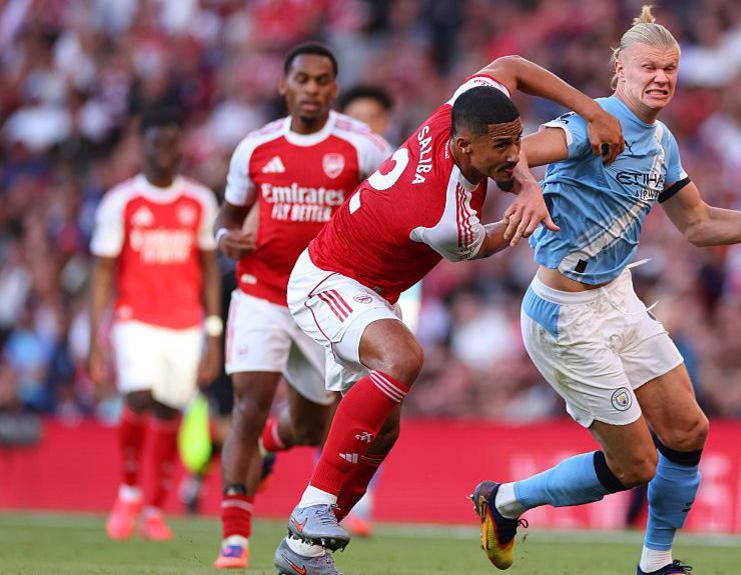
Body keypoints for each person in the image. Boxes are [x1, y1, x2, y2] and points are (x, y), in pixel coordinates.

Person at [469, 6, 741, 575]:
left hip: (616, 297)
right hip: (564, 315)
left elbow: (699, 226)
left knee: (689, 429)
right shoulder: (586, 128)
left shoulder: (662, 141)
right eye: (649, 67)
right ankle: (507, 500)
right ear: (618, 68)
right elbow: (511, 151)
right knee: (637, 464)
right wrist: (523, 185)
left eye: (670, 68)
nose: (662, 78)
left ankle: (656, 563)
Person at [274, 55, 624, 575]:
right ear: (465, 147)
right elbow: (480, 243)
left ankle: (303, 552)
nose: (515, 154)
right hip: (328, 279)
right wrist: (529, 209)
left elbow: (509, 65)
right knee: (402, 358)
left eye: (516, 140)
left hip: (373, 289)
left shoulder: (456, 113)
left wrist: (589, 110)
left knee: (384, 431)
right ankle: (311, 510)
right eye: (502, 147)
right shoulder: (441, 216)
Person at [212, 42, 392, 569]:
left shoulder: (363, 146)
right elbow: (228, 214)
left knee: (316, 426)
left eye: (322, 81)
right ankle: (235, 535)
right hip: (260, 293)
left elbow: (396, 198)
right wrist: (226, 236)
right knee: (248, 402)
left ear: (334, 89)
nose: (311, 89)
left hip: (324, 299)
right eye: (302, 79)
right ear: (283, 85)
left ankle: (276, 438)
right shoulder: (256, 148)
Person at [89, 106, 222, 542]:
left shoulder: (199, 201)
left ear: (180, 145)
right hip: (136, 319)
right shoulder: (121, 202)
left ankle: (154, 508)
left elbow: (208, 271)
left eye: (171, 142)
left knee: (169, 408)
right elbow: (104, 272)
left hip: (185, 323)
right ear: (141, 145)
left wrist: (214, 334)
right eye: (155, 142)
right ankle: (128, 490)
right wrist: (95, 337)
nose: (164, 151)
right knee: (139, 395)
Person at [336, 83, 400, 539]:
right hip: (329, 287)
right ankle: (275, 442)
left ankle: (357, 502)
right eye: (356, 119)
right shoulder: (331, 163)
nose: (365, 128)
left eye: (372, 119)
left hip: (381, 290)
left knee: (375, 397)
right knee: (320, 407)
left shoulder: (395, 165)